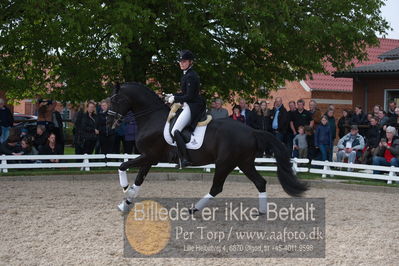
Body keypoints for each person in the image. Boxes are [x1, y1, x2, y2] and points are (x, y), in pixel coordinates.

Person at [166, 50, 206, 168]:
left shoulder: (191, 76)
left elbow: (189, 96)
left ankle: (185, 159)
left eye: (184, 61)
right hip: (188, 104)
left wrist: (175, 98)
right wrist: (172, 95)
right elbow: (184, 93)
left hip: (192, 106)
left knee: (175, 131)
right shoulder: (186, 74)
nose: (181, 63)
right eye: (180, 61)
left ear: (190, 62)